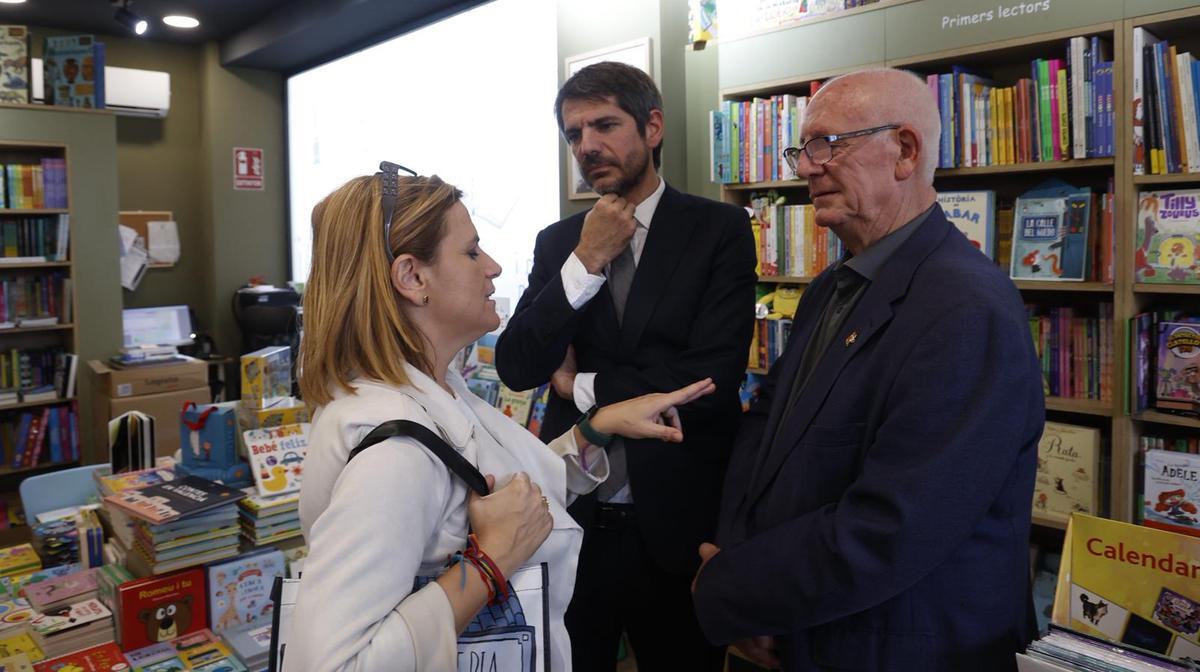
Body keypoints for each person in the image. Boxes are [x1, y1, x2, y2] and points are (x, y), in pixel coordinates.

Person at [284, 167, 716, 671]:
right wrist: (488, 565)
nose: (490, 267)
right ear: (412, 277)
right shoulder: (394, 457)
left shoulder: (437, 395)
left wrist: (599, 427)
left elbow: (505, 488)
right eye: (470, 252)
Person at [691, 68, 1044, 672]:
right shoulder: (832, 286)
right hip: (809, 628)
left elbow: (894, 527)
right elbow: (765, 435)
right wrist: (744, 577)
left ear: (904, 151)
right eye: (803, 148)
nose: (806, 166)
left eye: (829, 144)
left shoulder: (965, 309)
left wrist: (735, 591)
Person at [495, 62, 757, 671]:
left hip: (678, 518)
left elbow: (710, 379)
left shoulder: (719, 229)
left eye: (605, 125)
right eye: (574, 134)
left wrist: (577, 383)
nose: (588, 145)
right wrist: (586, 260)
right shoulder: (560, 243)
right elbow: (516, 364)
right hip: (573, 520)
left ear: (653, 126)